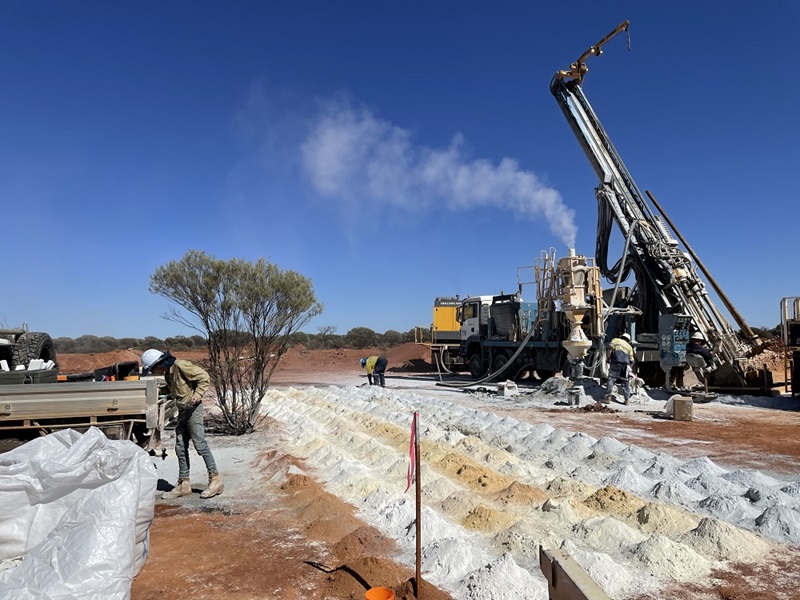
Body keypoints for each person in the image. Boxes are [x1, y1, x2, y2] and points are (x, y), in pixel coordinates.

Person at [141, 349, 224, 500]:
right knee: (180, 447)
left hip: (193, 410)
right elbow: (172, 389)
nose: (154, 372)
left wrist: (198, 394)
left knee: (200, 445)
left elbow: (204, 377)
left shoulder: (181, 366)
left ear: (159, 364)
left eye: (153, 369)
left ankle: (215, 480)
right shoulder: (168, 374)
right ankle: (183, 484)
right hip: (183, 412)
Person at [605, 332, 635, 404]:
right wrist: (629, 369)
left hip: (616, 362)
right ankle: (627, 400)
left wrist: (608, 358)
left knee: (611, 380)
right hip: (625, 365)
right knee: (625, 382)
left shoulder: (615, 340)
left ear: (621, 337)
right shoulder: (629, 347)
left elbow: (609, 349)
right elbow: (632, 360)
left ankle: (608, 398)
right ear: (628, 340)